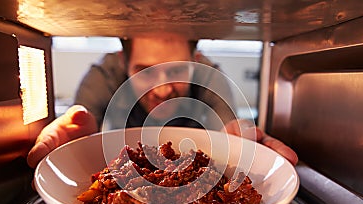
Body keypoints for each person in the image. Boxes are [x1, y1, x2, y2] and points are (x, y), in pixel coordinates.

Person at [26, 32, 298, 168]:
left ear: (196, 62)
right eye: (144, 72)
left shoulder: (210, 77)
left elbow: (229, 132)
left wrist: (242, 143)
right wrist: (79, 145)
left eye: (177, 70)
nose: (163, 90)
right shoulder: (102, 77)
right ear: (123, 62)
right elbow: (84, 129)